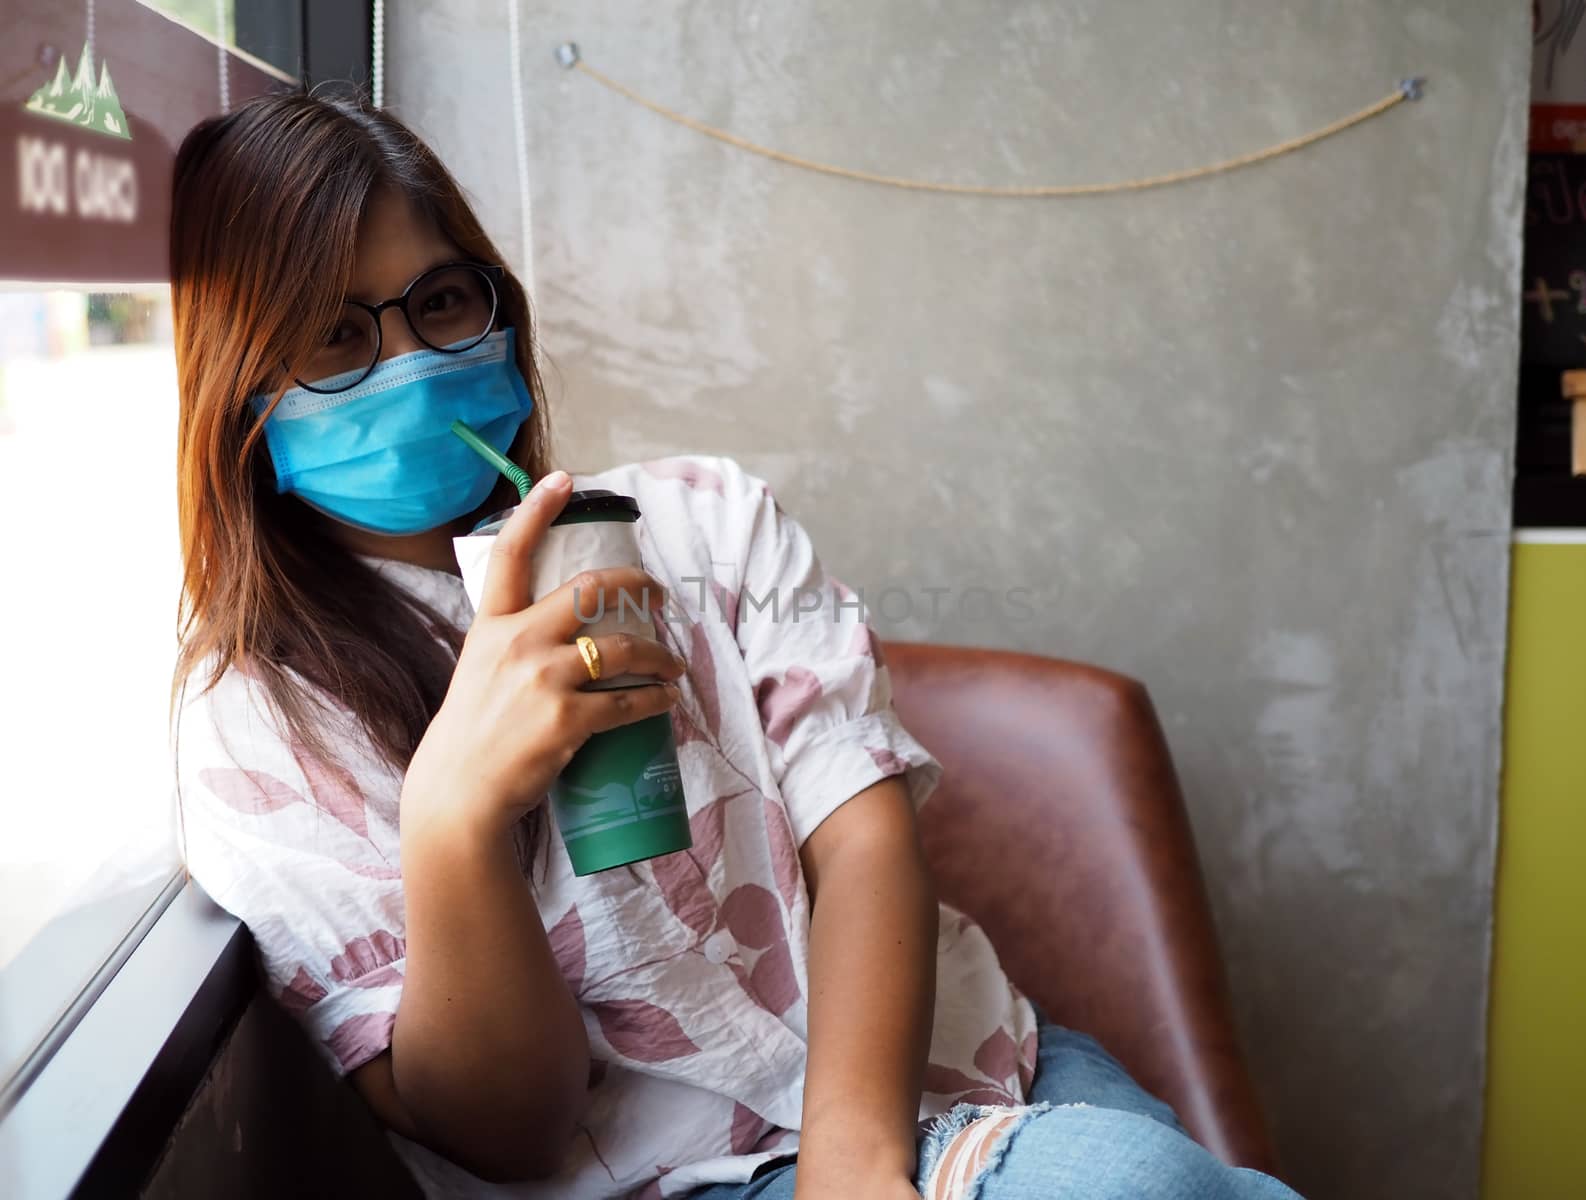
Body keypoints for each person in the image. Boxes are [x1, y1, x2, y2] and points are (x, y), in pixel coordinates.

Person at [168, 88, 1304, 1200]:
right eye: (331, 335)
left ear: (498, 316)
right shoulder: (258, 725)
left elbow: (861, 839)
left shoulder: (705, 520)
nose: (411, 362)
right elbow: (507, 1137)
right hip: (683, 1174)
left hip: (964, 1062)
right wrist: (453, 820)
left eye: (443, 305)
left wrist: (854, 1164)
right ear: (242, 391)